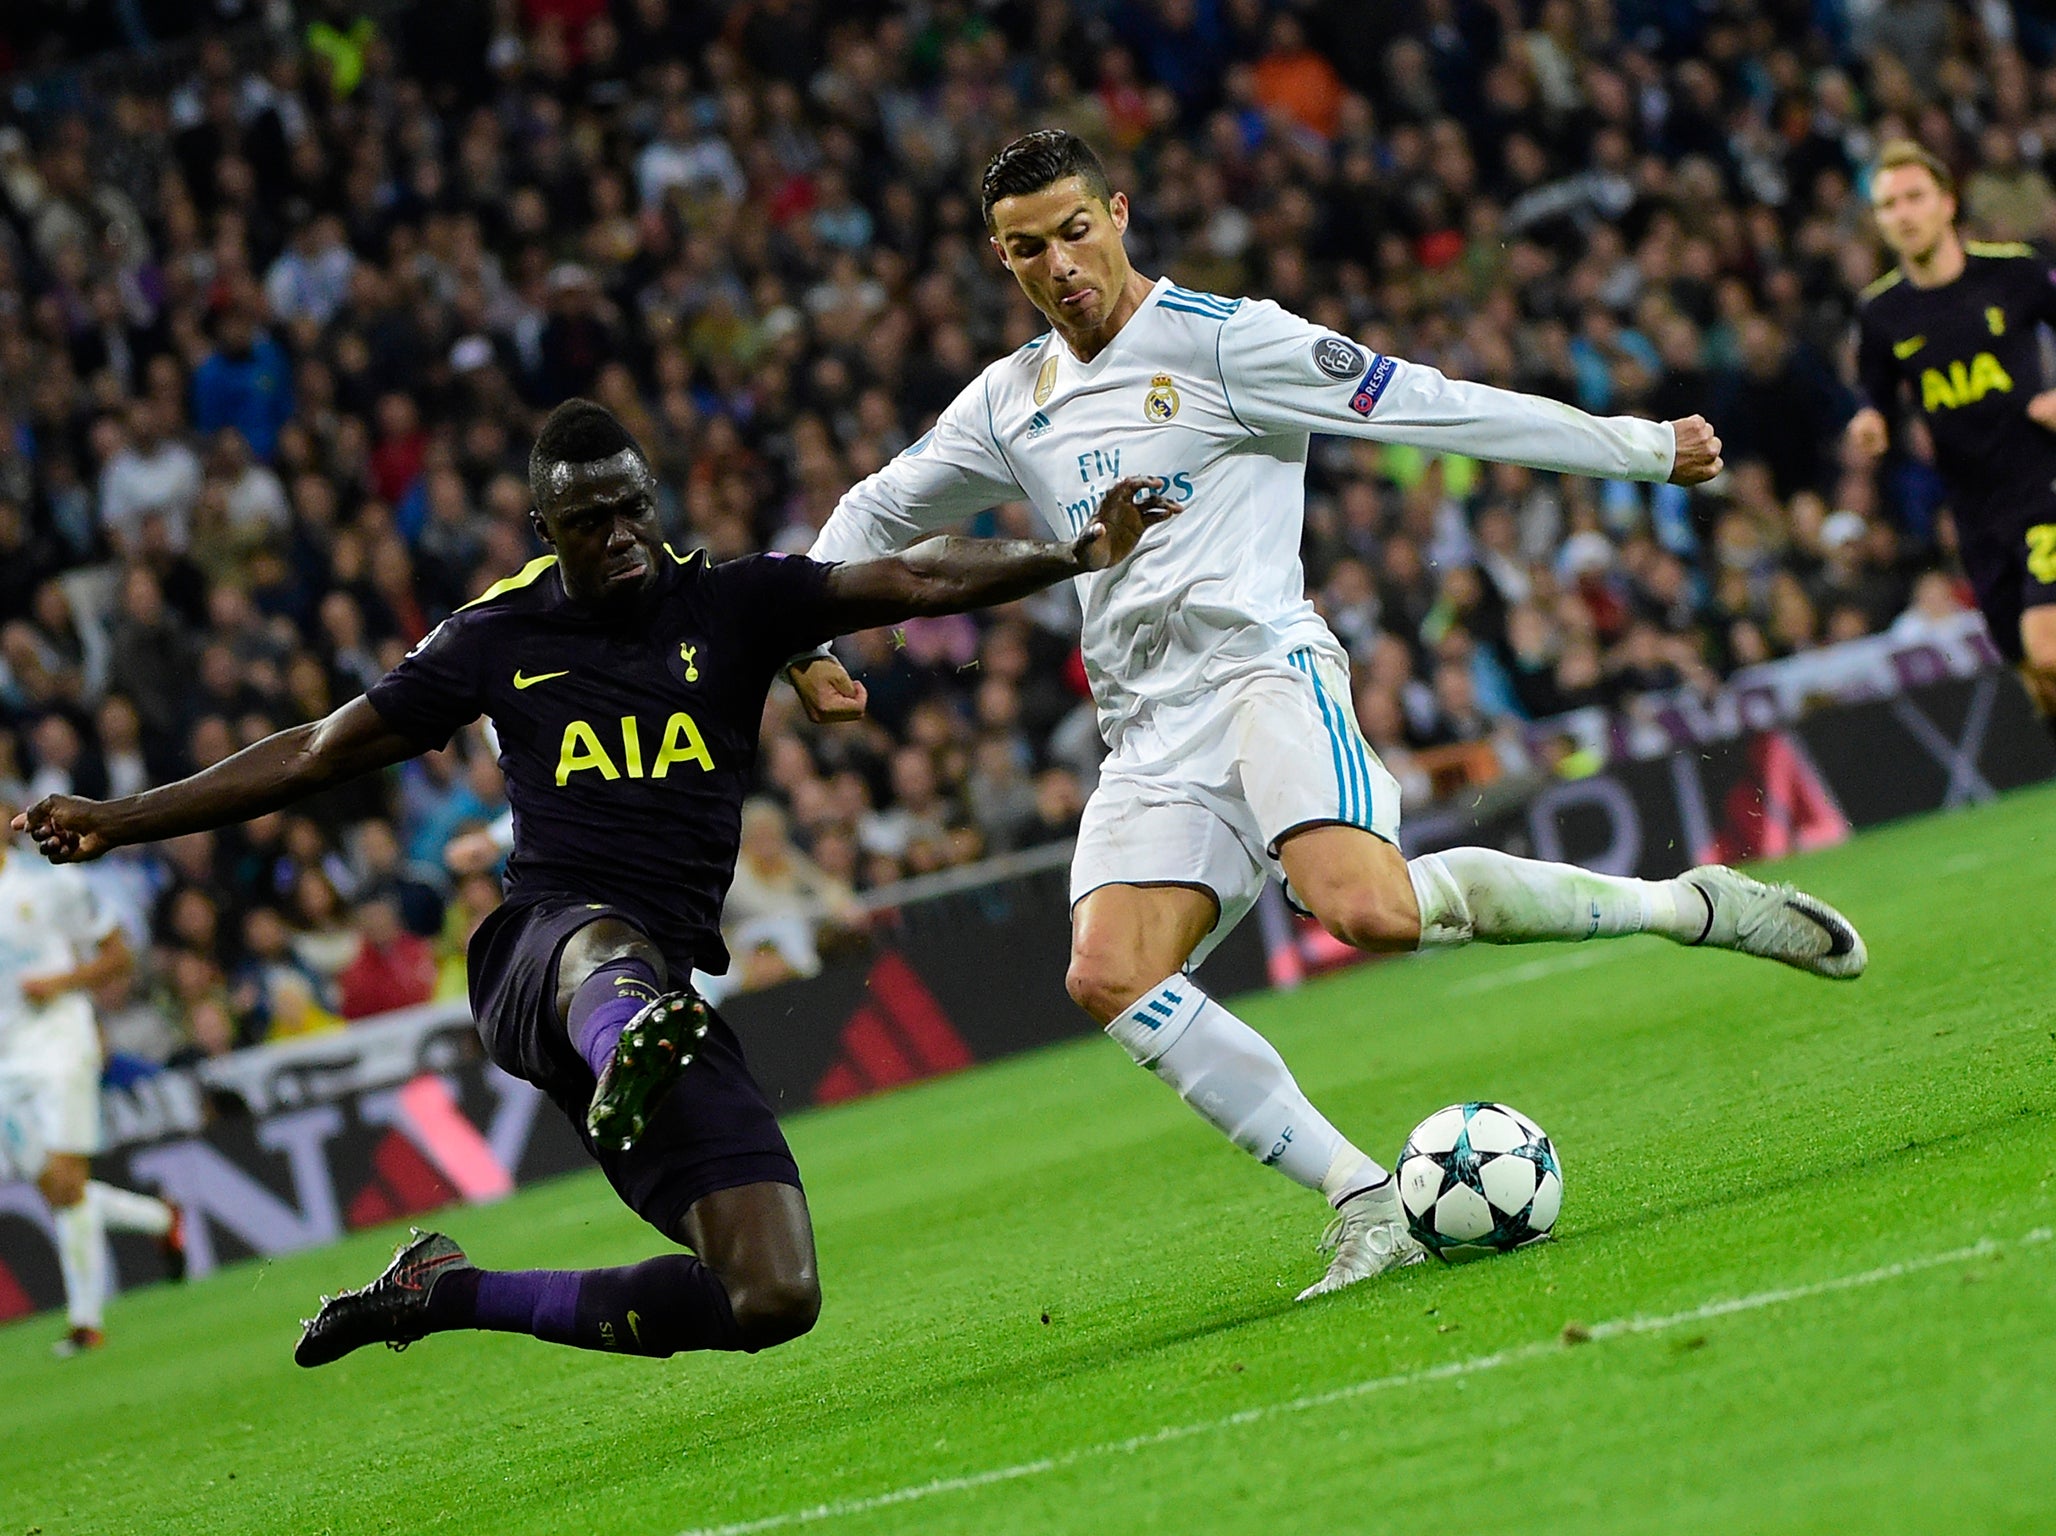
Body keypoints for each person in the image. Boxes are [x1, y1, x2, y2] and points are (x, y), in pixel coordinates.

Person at [790, 130, 1867, 1301]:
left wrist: (1638, 448)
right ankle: (1363, 1197)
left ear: (1120, 212)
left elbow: (1427, 406)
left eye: (1074, 229)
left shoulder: (1225, 338)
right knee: (1105, 975)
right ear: (999, 259)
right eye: (1024, 249)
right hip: (1148, 734)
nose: (1057, 264)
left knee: (1367, 910)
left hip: (1264, 675)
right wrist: (801, 636)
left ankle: (1686, 904)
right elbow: (873, 507)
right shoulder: (1011, 400)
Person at [16, 398, 1178, 1368]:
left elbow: (919, 576)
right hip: (538, 956)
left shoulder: (735, 603)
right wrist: (122, 820)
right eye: (587, 520)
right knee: (598, 942)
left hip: (661, 991)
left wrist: (1071, 554)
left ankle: (447, 1292)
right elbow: (319, 750)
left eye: (632, 507)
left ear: (653, 501)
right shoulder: (492, 637)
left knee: (769, 1295)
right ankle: (626, 1035)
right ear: (546, 527)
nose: (618, 533)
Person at [1845, 139, 2056, 741]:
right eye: (1889, 205)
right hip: (1973, 512)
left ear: (1946, 202)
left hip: (2042, 486)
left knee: (2049, 651)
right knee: (2036, 680)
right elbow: (1875, 393)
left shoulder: (2014, 271)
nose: (1903, 213)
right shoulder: (1881, 313)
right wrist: (1872, 423)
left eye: (1914, 197)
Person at [0, 823, 185, 1355]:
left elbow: (118, 956)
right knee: (58, 1191)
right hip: (7, 1062)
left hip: (61, 1044)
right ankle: (159, 1218)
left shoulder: (47, 885)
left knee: (65, 1177)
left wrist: (57, 983)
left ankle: (85, 1323)